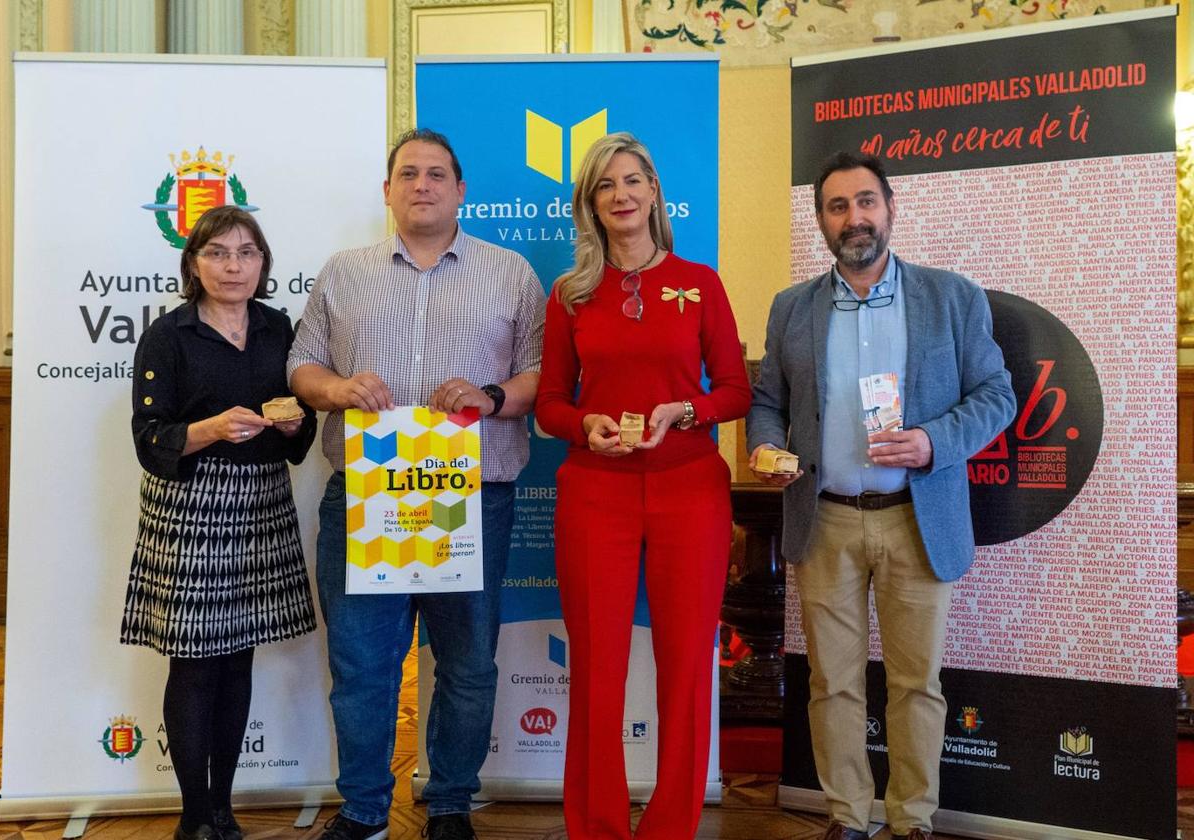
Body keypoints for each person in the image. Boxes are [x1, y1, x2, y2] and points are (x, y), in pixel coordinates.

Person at [747, 151, 1016, 840]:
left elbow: (998, 395)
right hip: (825, 519)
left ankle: (912, 820)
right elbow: (768, 401)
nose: (854, 218)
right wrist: (763, 444)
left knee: (915, 683)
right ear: (821, 221)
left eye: (866, 202)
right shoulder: (791, 309)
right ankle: (847, 817)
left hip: (915, 519)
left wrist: (933, 441)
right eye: (837, 206)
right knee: (831, 684)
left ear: (890, 209)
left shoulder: (952, 298)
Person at [288, 128, 546, 840]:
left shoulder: (511, 273)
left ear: (461, 190)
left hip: (472, 500)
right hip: (366, 500)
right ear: (388, 190)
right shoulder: (344, 273)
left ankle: (453, 800)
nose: (422, 185)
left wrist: (490, 396)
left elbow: (542, 378)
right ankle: (366, 807)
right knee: (363, 661)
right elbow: (301, 368)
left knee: (467, 662)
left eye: (437, 174)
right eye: (408, 174)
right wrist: (338, 386)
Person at [536, 132, 752, 840]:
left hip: (691, 489)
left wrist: (685, 411)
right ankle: (597, 826)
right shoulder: (570, 295)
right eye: (606, 186)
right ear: (590, 205)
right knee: (596, 668)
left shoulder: (701, 282)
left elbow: (737, 391)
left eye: (633, 181)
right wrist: (585, 424)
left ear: (655, 192)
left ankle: (670, 827)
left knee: (686, 665)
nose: (621, 195)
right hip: (595, 492)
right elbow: (549, 404)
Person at [122, 205, 319, 840]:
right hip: (191, 508)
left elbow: (299, 429)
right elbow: (148, 436)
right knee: (193, 662)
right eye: (217, 253)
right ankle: (192, 814)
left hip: (263, 502)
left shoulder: (278, 327)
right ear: (193, 263)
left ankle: (225, 808)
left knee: (238, 658)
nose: (233, 266)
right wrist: (207, 430)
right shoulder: (169, 334)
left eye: (246, 252)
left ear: (263, 264)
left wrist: (295, 423)